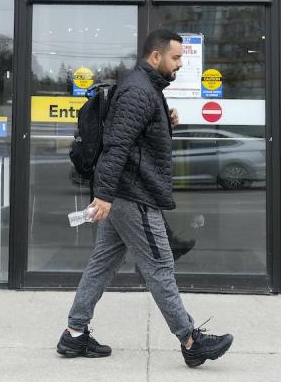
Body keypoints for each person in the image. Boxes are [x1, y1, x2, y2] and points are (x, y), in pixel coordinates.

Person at [56, 29, 233, 369]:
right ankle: (190, 340)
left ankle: (74, 333)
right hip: (132, 196)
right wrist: (104, 195)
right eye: (176, 57)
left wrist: (162, 122)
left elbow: (132, 136)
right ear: (156, 57)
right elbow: (116, 147)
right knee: (160, 266)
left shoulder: (144, 88)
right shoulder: (140, 90)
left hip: (124, 194)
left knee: (102, 264)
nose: (180, 64)